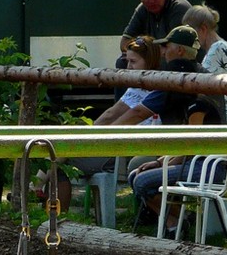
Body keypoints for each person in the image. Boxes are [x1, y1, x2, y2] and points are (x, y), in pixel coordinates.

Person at [129, 25, 225, 237]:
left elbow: (193, 144)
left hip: (207, 164)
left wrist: (163, 162)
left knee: (141, 181)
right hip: (196, 161)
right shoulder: (195, 90)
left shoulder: (198, 100)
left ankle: (181, 220)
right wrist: (163, 160)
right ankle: (176, 223)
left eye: (166, 47)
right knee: (136, 174)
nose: (162, 52)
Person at [53, 36, 163, 212]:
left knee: (61, 163)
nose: (129, 67)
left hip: (126, 150)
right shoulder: (137, 86)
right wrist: (89, 136)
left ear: (149, 61)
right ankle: (39, 187)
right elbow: (112, 114)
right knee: (61, 154)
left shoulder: (156, 88)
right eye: (127, 61)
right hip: (120, 146)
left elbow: (122, 115)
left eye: (133, 62)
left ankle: (52, 210)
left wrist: (91, 137)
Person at [114, 0, 191, 101]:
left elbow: (177, 49)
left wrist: (146, 51)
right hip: (153, 61)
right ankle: (124, 105)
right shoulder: (143, 10)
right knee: (123, 62)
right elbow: (124, 43)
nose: (151, 0)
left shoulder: (179, 8)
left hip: (179, 65)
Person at [183, 3, 227, 124]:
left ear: (203, 29)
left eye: (191, 32)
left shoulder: (218, 48)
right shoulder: (214, 48)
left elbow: (202, 86)